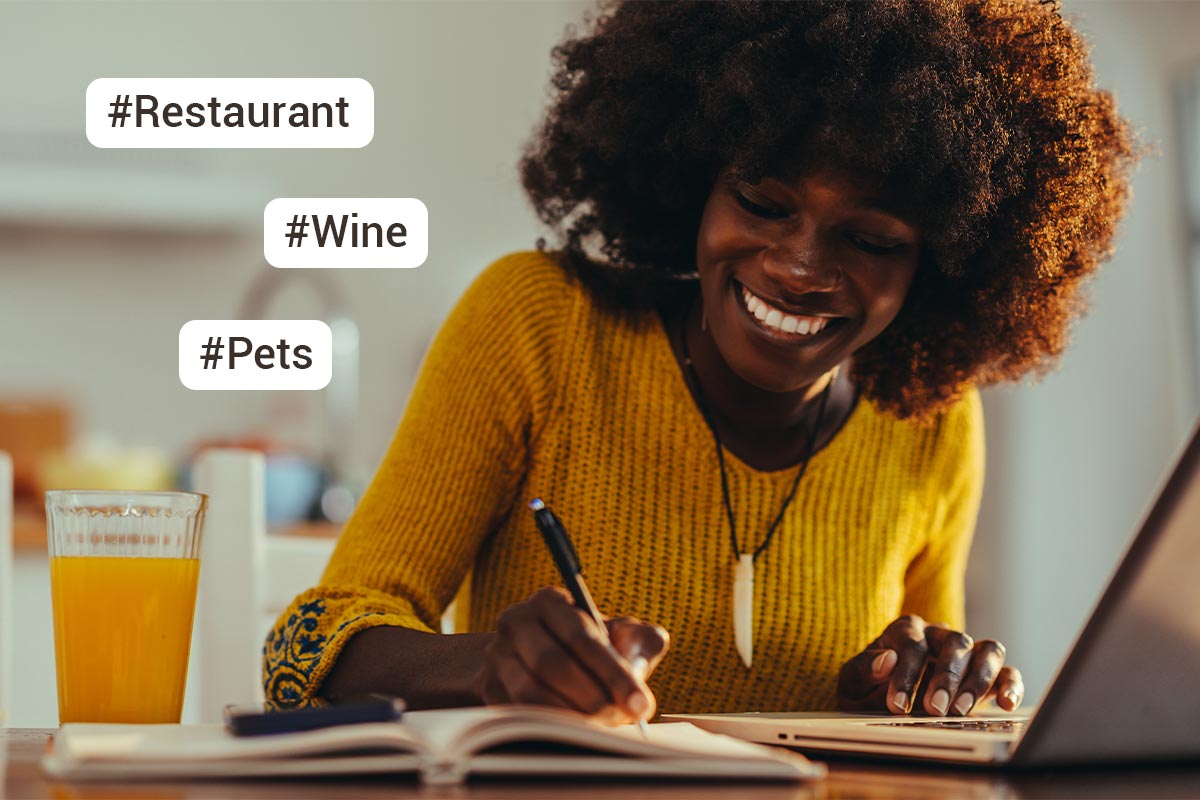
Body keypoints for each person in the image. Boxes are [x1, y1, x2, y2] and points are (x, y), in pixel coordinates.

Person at [263, 0, 1135, 725]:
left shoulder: (930, 421)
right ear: (692, 178)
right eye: (762, 200)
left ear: (940, 263)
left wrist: (913, 683)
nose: (799, 269)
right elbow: (309, 643)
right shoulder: (539, 325)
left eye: (869, 238)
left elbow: (920, 707)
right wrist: (492, 665)